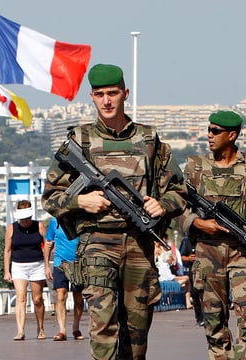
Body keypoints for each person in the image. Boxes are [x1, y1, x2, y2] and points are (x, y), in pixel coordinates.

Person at [41, 63, 186, 359]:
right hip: (96, 243)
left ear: (125, 94)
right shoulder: (79, 141)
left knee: (136, 335)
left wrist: (164, 204)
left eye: (113, 93)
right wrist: (82, 202)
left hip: (139, 244)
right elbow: (50, 197)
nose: (107, 101)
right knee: (103, 329)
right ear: (92, 97)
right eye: (99, 94)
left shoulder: (149, 141)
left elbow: (179, 190)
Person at [181, 110, 246, 359]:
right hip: (207, 254)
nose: (209, 135)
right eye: (209, 129)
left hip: (243, 254)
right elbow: (178, 208)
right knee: (214, 326)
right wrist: (199, 224)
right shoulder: (195, 167)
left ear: (232, 135)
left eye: (215, 131)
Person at [3, 200, 50, 341]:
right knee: (21, 297)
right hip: (19, 266)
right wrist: (7, 271)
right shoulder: (12, 228)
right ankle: (20, 331)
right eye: (23, 219)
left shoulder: (39, 226)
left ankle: (40, 328)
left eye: (27, 218)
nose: (25, 221)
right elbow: (7, 251)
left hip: (37, 264)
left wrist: (47, 265)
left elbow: (47, 245)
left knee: (37, 299)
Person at [43, 217, 85, 342]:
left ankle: (76, 328)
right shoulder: (54, 222)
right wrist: (46, 266)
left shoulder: (80, 219)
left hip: (78, 264)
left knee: (78, 296)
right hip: (60, 263)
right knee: (60, 295)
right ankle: (62, 330)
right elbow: (48, 243)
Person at [154, 241, 192, 308]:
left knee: (185, 282)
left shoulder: (164, 250)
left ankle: (187, 302)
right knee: (186, 278)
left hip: (168, 276)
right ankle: (188, 303)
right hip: (166, 277)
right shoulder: (157, 250)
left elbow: (172, 261)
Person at [180, 236, 205, 326]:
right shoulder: (186, 241)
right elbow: (181, 257)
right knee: (195, 296)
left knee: (206, 296)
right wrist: (188, 258)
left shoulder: (205, 240)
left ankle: (208, 317)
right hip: (193, 273)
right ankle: (199, 318)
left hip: (206, 272)